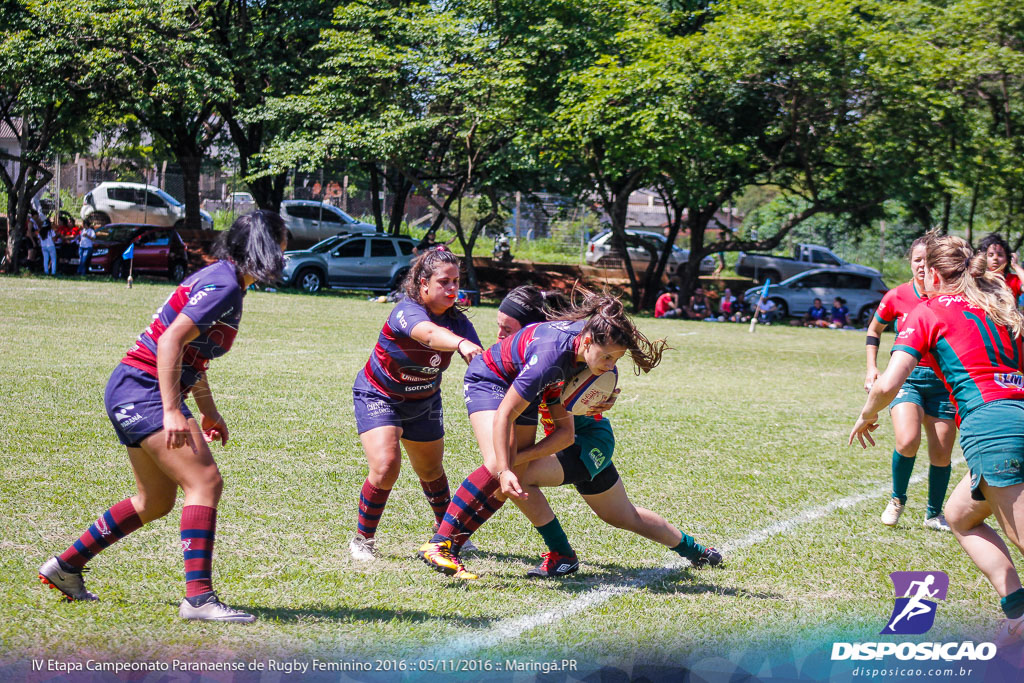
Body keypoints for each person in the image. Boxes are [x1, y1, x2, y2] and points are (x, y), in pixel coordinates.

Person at [37, 211, 288, 622]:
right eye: (281, 244)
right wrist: (172, 410)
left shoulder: (222, 279)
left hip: (135, 387)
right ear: (263, 245)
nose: (284, 253)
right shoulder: (224, 285)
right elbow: (170, 341)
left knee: (153, 501)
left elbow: (193, 354)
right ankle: (199, 600)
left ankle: (65, 567)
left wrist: (208, 410)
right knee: (204, 482)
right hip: (144, 389)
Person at [417, 288, 667, 580]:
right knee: (500, 465)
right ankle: (440, 544)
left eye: (616, 359)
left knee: (514, 472)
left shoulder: (590, 339)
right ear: (587, 341)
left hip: (530, 386)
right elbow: (505, 414)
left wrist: (595, 399)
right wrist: (507, 466)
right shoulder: (551, 360)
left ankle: (559, 554)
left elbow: (566, 434)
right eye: (608, 357)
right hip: (492, 379)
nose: (610, 366)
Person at [850, 234, 1024, 645]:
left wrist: (866, 414)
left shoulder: (927, 310)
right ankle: (1016, 611)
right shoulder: (996, 305)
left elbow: (888, 384)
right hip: (1016, 417)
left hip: (992, 430)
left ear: (931, 272)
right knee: (961, 517)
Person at [478, 287, 721, 577]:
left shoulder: (560, 354)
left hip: (586, 442)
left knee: (516, 475)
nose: (502, 337)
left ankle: (561, 555)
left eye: (509, 329)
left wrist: (512, 460)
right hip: (584, 442)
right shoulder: (542, 352)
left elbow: (570, 421)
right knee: (622, 516)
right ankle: (698, 552)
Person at [348, 246, 484, 561]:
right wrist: (461, 344)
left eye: (456, 281)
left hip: (424, 400)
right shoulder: (406, 311)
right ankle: (363, 540)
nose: (452, 288)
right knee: (385, 466)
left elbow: (483, 364)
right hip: (379, 395)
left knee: (431, 470)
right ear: (423, 285)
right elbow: (428, 334)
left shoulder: (459, 323)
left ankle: (446, 536)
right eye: (444, 282)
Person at [864, 237, 955, 531]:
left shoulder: (949, 297)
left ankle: (933, 514)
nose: (922, 265)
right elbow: (874, 329)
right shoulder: (897, 296)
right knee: (907, 440)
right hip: (907, 380)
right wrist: (871, 368)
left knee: (941, 452)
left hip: (943, 384)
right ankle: (897, 499)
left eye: (928, 260)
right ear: (910, 262)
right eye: (917, 259)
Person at [977, 232, 1024, 301]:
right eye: (991, 255)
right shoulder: (979, 278)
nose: (995, 258)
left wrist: (1015, 266)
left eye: (1000, 255)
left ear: (1008, 259)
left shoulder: (1014, 280)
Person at [33, 210, 57, 275]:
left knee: (45, 259)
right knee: (53, 259)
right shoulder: (51, 231)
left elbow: (38, 238)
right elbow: (54, 239)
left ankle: (46, 271)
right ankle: (53, 272)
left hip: (43, 246)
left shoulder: (41, 232)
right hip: (51, 246)